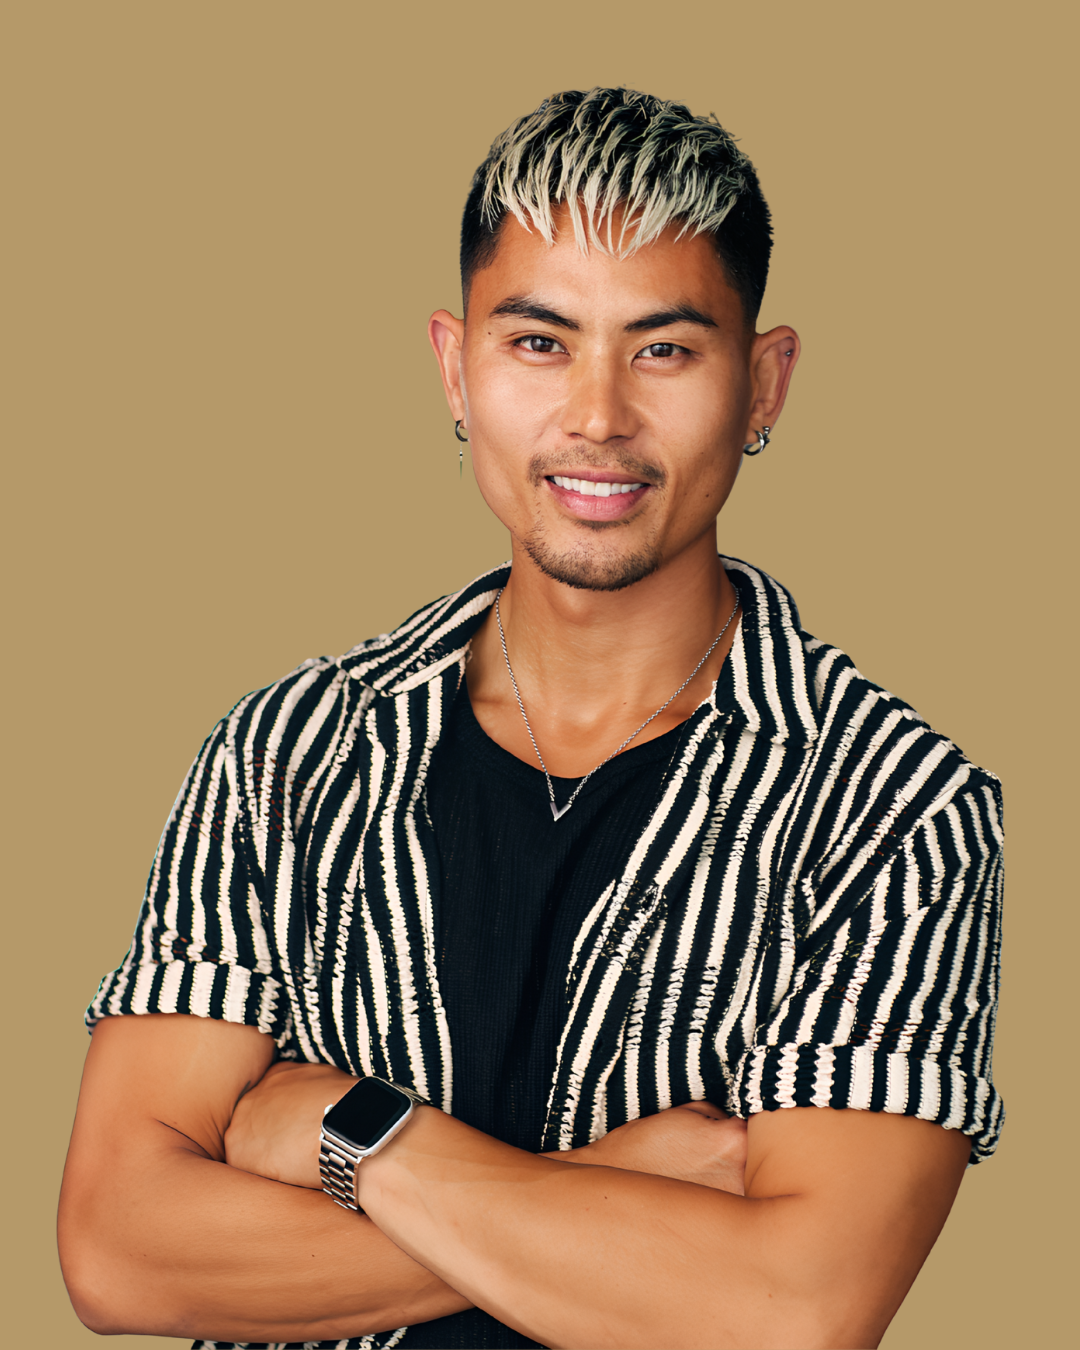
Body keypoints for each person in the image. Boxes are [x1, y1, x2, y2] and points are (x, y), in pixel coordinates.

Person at [58, 87, 1003, 1350]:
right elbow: (121, 1251)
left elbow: (793, 1309)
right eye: (540, 343)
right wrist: (625, 1182)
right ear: (457, 369)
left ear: (764, 384)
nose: (598, 417)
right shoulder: (287, 751)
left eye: (664, 348)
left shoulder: (896, 808)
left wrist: (358, 1136)